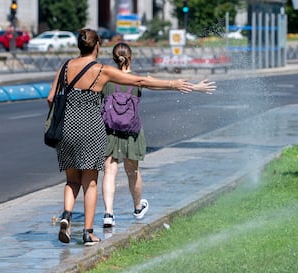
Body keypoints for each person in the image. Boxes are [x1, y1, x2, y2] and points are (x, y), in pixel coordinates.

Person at [47, 29, 216, 246]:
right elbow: (138, 81)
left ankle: (67, 215)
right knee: (90, 182)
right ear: (97, 46)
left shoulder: (64, 67)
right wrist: (173, 83)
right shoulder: (102, 70)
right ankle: (88, 233)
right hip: (91, 128)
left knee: (72, 180)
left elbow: (51, 98)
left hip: (67, 129)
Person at [101, 42, 216, 228]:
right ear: (130, 58)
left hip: (110, 131)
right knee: (133, 172)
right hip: (132, 132)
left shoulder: (105, 79)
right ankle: (138, 208)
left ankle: (108, 214)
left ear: (114, 59)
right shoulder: (138, 79)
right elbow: (163, 85)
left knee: (110, 170)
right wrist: (195, 87)